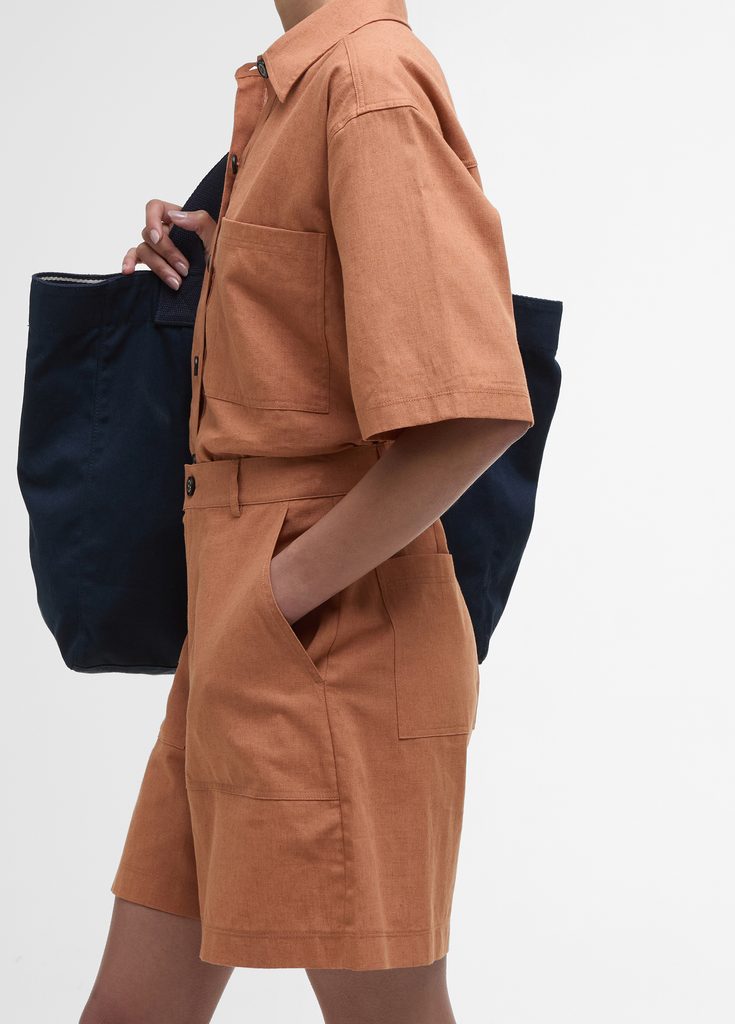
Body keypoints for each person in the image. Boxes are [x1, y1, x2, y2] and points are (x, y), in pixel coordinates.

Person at [82, 0, 534, 1021]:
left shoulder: (369, 83)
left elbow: (472, 414)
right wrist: (219, 267)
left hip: (330, 636)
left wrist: (274, 596)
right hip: (245, 631)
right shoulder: (296, 89)